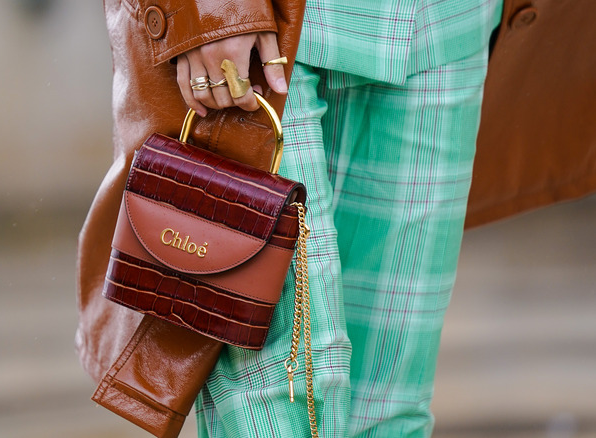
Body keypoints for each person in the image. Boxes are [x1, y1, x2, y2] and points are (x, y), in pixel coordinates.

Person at [172, 1, 502, 436]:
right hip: (272, 30)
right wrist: (215, 11)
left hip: (441, 24)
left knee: (389, 407)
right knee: (279, 394)